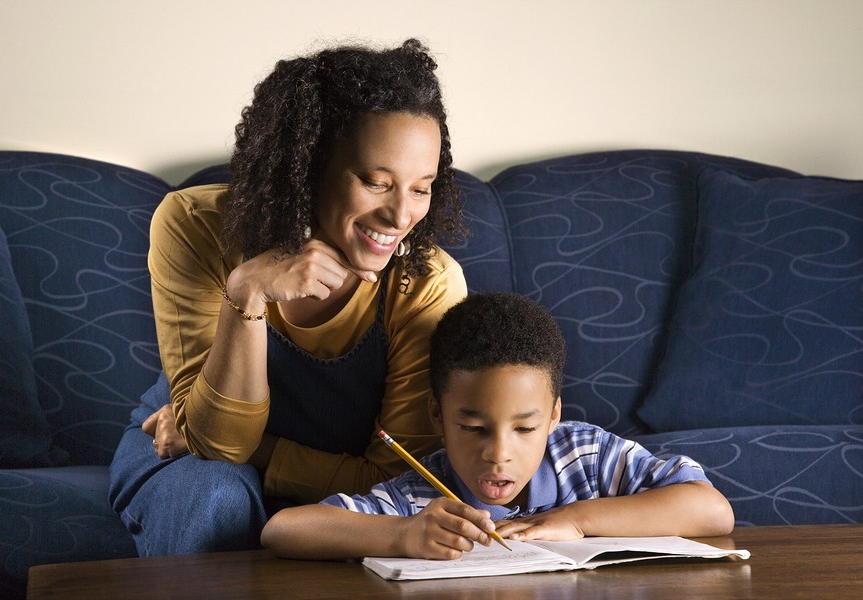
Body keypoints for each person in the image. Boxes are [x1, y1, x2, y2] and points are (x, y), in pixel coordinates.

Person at [108, 38, 469, 555]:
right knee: (216, 496)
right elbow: (217, 447)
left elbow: (392, 479)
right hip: (183, 457)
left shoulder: (428, 284)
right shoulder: (196, 226)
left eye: (421, 187)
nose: (400, 216)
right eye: (375, 182)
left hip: (336, 492)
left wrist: (255, 452)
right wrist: (248, 292)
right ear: (308, 167)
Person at [260, 292, 735, 560]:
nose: (498, 453)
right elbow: (283, 529)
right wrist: (401, 535)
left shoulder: (585, 458)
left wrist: (574, 519)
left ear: (553, 416)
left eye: (525, 429)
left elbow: (712, 512)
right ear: (436, 416)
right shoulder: (422, 499)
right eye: (473, 428)